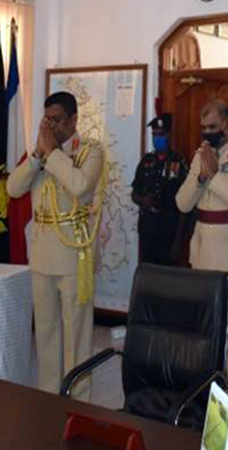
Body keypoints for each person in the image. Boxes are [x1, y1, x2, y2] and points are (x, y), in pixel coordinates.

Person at [7, 91, 106, 400]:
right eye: (47, 119)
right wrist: (38, 156)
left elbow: (80, 186)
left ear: (74, 120)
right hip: (42, 255)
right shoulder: (40, 153)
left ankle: (79, 399)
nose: (51, 126)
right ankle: (49, 397)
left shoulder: (91, 151)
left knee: (77, 334)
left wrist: (52, 154)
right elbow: (13, 188)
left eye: (58, 120)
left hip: (74, 255)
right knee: (47, 333)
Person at [175, 99, 228, 406]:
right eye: (203, 128)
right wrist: (201, 175)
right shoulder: (201, 155)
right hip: (201, 251)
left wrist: (214, 176)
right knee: (204, 330)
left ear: (226, 124)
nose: (207, 132)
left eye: (212, 127)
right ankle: (204, 393)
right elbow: (182, 203)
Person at [131, 113, 187, 265]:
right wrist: (142, 200)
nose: (157, 138)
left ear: (169, 135)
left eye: (160, 134)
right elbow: (134, 193)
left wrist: (178, 240)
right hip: (148, 228)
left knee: (167, 276)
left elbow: (185, 206)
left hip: (169, 230)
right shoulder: (146, 161)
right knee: (148, 273)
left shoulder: (179, 162)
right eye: (154, 135)